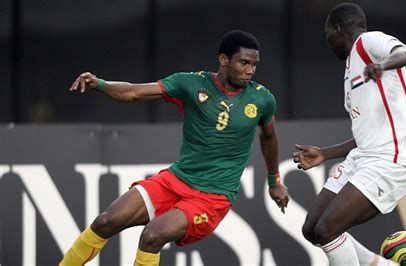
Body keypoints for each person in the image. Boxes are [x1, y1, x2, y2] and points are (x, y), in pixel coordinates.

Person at [60, 30, 289, 266]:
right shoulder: (190, 83)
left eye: (254, 64)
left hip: (213, 197)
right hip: (176, 180)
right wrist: (100, 84)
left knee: (152, 235)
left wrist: (275, 181)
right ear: (223, 59)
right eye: (244, 62)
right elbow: (133, 92)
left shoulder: (262, 99)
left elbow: (269, 136)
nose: (250, 70)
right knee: (105, 221)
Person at [293, 3, 406, 266]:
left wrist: (384, 65)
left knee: (327, 229)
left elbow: (404, 52)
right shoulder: (350, 69)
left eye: (327, 35)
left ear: (338, 30)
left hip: (394, 158)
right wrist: (325, 154)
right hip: (365, 156)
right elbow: (366, 135)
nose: (328, 42)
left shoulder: (367, 42)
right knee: (313, 228)